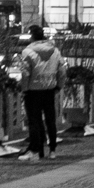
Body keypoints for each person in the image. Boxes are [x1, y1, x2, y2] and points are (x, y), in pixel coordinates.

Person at [16, 24, 65, 160]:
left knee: (34, 120)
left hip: (33, 91)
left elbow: (25, 73)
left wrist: (24, 89)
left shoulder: (27, 52)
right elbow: (62, 71)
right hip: (49, 90)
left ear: (31, 36)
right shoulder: (54, 51)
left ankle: (36, 150)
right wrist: (58, 86)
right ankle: (53, 150)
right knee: (50, 120)